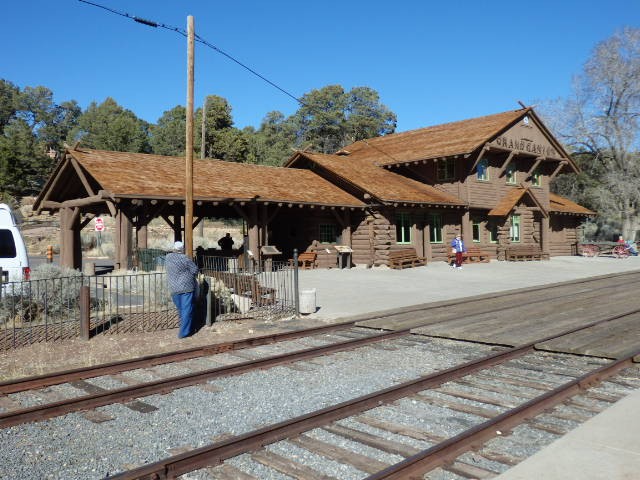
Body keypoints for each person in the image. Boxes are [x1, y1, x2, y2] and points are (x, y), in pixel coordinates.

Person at [165, 241, 199, 338]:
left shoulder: (168, 257)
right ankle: (184, 333)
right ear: (183, 249)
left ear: (174, 248)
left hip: (174, 287)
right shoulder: (185, 258)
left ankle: (187, 327)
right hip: (186, 287)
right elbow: (195, 270)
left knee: (181, 309)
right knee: (187, 310)